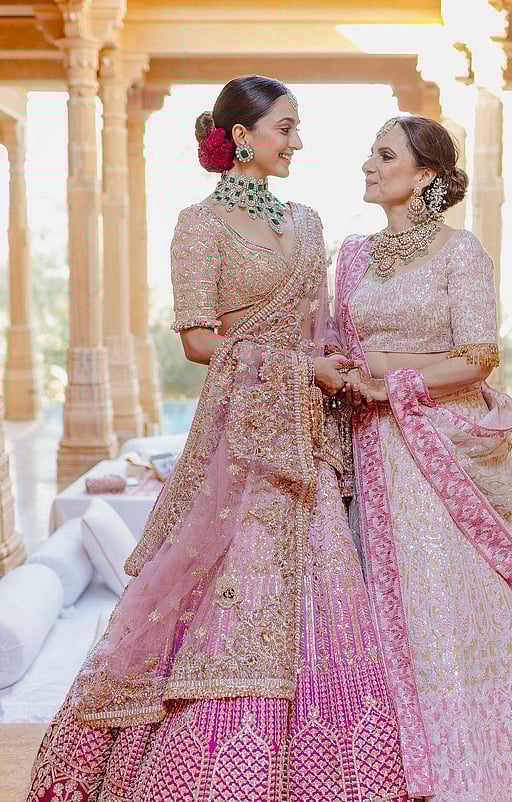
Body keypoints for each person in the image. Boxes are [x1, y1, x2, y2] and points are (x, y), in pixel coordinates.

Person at [26, 77, 408, 802]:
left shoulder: (308, 222)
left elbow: (321, 327)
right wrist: (302, 368)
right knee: (220, 583)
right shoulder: (200, 225)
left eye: (296, 129)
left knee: (323, 584)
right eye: (285, 128)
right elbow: (198, 342)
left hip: (307, 432)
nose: (297, 142)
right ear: (242, 136)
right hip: (239, 432)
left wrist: (342, 373)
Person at [328, 115, 512, 802]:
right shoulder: (353, 255)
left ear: (425, 175)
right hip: (371, 447)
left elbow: (477, 356)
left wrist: (391, 382)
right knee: (380, 603)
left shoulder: (459, 252)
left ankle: (481, 763)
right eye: (370, 153)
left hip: (438, 447)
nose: (368, 165)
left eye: (384, 155)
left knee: (452, 600)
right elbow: (345, 348)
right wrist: (349, 377)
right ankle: (399, 766)